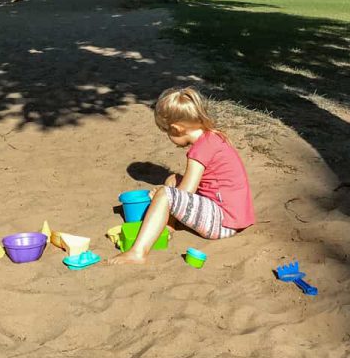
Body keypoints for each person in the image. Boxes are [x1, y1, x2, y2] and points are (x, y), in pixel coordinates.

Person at [109, 87, 254, 265]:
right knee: (172, 179)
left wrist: (162, 194)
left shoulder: (199, 149)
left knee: (165, 195)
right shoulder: (213, 137)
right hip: (235, 217)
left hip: (223, 223)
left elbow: (187, 191)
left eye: (167, 133)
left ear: (177, 129)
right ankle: (169, 226)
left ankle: (138, 252)